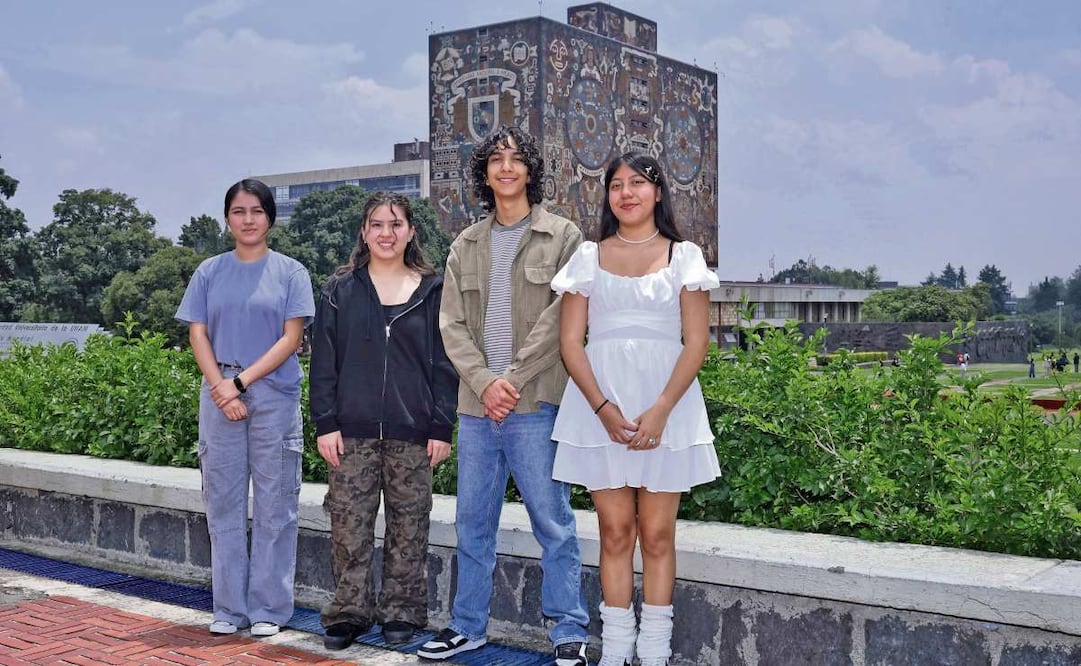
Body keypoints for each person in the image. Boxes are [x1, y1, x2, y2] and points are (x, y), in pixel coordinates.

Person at [420, 125, 590, 665]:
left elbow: (562, 319)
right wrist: (485, 382)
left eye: (517, 158)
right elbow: (451, 326)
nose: (507, 167)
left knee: (553, 521)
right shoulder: (464, 244)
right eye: (496, 159)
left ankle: (567, 629)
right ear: (485, 173)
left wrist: (510, 381)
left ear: (530, 170)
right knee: (472, 523)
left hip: (534, 402)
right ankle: (466, 625)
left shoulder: (564, 237)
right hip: (477, 409)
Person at [549, 153, 720, 666]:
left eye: (638, 184)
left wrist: (661, 410)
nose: (626, 193)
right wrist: (602, 408)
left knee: (658, 533)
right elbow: (570, 344)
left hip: (667, 409)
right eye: (617, 185)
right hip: (601, 409)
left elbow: (695, 344)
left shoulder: (685, 257)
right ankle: (618, 646)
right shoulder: (587, 257)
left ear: (658, 192)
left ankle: (654, 650)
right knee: (615, 532)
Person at [309, 192, 458, 650]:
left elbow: (444, 363)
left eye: (396, 225)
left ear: (411, 231)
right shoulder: (340, 290)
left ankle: (403, 611)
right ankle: (349, 612)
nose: (386, 233)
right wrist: (325, 423)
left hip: (412, 432)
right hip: (349, 432)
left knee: (409, 527)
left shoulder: (433, 289)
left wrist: (439, 426)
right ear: (364, 232)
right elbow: (324, 362)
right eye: (377, 225)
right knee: (349, 527)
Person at [175, 179, 315, 637]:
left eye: (257, 211)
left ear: (270, 217)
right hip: (219, 395)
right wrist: (222, 388)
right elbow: (197, 333)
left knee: (277, 506)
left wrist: (239, 383)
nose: (248, 220)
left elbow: (291, 339)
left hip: (273, 395)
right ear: (227, 219)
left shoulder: (291, 272)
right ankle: (229, 609)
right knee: (224, 505)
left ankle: (269, 610)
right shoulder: (209, 272)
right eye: (239, 211)